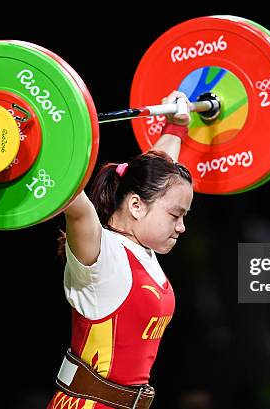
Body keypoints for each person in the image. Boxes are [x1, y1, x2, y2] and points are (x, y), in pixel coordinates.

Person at [46, 91, 194, 409]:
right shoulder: (102, 256)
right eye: (175, 216)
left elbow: (159, 176)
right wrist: (43, 145)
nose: (181, 227)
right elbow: (74, 203)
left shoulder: (143, 247)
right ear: (136, 206)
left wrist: (176, 127)